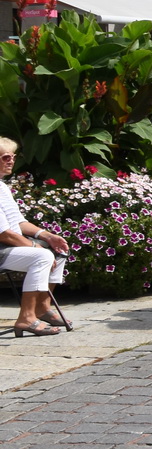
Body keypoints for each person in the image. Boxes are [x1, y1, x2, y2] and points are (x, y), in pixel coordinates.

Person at [0, 137, 71, 336]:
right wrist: (34, 247)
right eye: (5, 157)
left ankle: (42, 308)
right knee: (42, 256)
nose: (11, 161)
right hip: (2, 247)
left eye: (13, 157)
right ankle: (26, 318)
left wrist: (47, 236)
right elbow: (4, 234)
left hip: (8, 246)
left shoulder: (2, 187)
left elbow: (18, 222)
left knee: (58, 250)